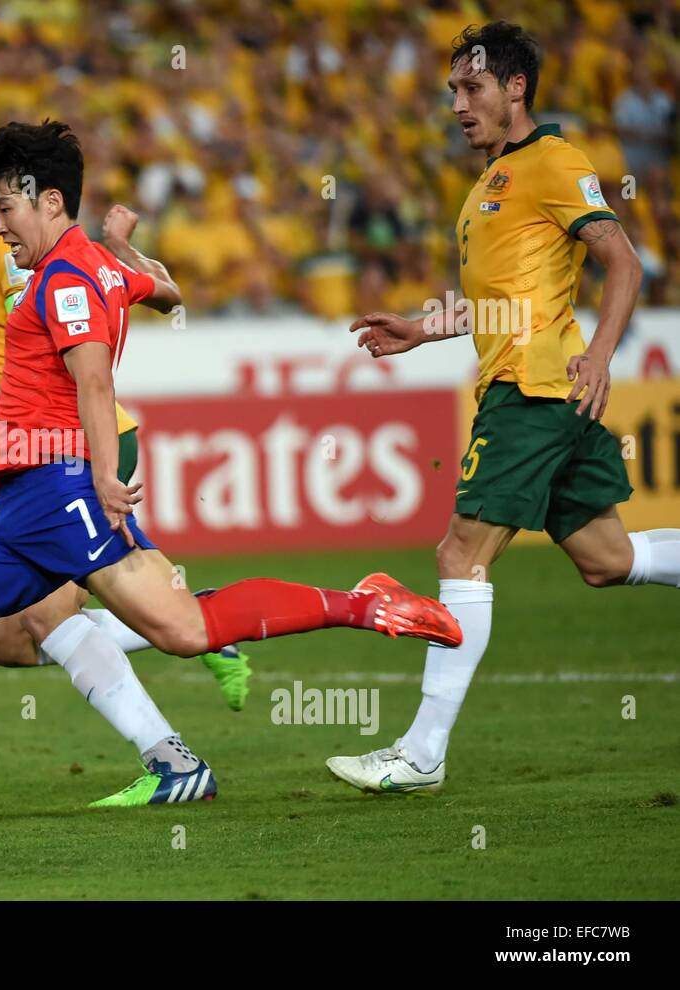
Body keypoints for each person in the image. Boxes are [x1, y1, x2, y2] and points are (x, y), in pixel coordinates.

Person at [0, 121, 461, 817]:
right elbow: (166, 290)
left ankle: (364, 604)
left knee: (184, 630)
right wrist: (124, 250)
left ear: (49, 199)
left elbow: (95, 380)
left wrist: (100, 476)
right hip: (16, 510)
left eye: (6, 210)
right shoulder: (89, 263)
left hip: (63, 492)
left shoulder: (61, 281)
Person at [330, 21, 673, 794]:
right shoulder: (489, 184)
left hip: (534, 392)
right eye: (453, 89)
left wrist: (599, 354)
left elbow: (625, 264)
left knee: (460, 556)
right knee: (606, 560)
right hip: (537, 388)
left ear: (516, 88)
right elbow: (504, 305)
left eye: (472, 87)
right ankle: (422, 754)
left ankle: (421, 754)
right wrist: (423, 329)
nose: (457, 104)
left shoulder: (553, 163)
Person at [0, 103, 248, 807]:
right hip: (37, 447)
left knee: (46, 616)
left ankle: (174, 759)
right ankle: (197, 623)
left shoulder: (10, 248)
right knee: (1, 639)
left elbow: (48, 361)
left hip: (80, 440)